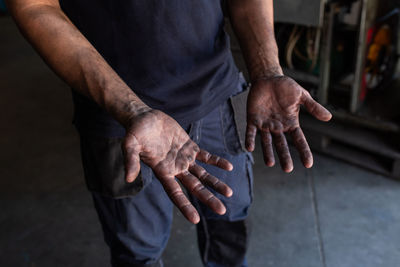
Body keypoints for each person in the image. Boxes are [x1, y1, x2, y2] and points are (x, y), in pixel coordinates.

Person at [7, 0, 332, 266]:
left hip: (217, 95)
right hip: (118, 121)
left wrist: (267, 70)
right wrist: (133, 110)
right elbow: (36, 7)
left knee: (230, 218)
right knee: (137, 250)